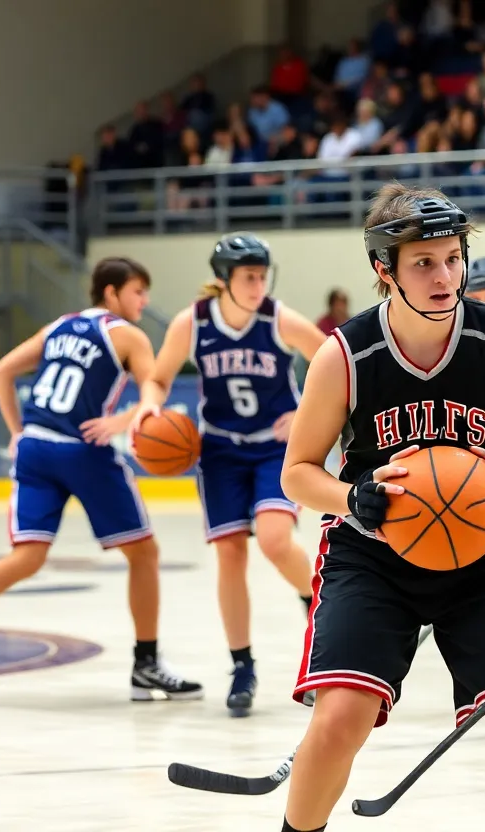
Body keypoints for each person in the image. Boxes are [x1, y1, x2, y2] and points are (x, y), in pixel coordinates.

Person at [277, 183, 485, 832]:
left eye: (452, 258)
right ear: (385, 269)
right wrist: (352, 497)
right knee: (339, 719)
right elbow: (297, 473)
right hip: (372, 558)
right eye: (424, 262)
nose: (445, 275)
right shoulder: (346, 353)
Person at [0, 258, 202, 702]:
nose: (145, 300)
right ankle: (146, 664)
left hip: (35, 449)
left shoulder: (59, 327)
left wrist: (18, 431)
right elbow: (152, 389)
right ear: (112, 293)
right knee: (144, 552)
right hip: (81, 450)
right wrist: (123, 422)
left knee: (26, 556)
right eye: (138, 291)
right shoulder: (128, 335)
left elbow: (1, 371)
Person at [133, 233, 325, 717]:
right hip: (218, 449)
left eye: (263, 276)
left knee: (277, 541)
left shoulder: (277, 318)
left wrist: (304, 414)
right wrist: (149, 408)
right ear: (224, 281)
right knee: (230, 554)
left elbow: (333, 360)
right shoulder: (192, 323)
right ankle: (243, 665)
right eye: (248, 277)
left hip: (274, 450)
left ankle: (316, 604)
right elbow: (157, 377)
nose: (259, 284)